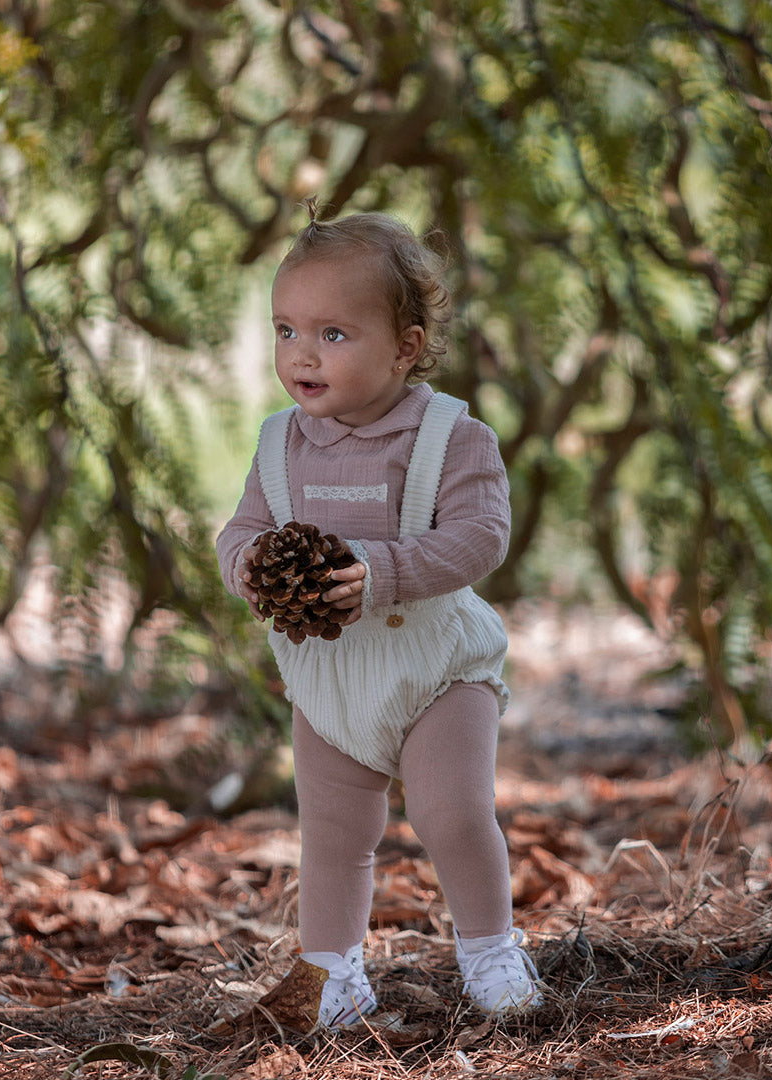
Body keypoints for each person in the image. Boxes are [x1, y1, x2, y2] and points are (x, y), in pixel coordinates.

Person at [216, 203, 541, 1028]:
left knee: (451, 813)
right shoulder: (278, 443)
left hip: (437, 666)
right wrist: (251, 567)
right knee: (332, 832)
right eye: (286, 329)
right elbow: (243, 530)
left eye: (333, 334)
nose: (302, 354)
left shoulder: (449, 435)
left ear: (405, 346)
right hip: (329, 675)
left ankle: (491, 949)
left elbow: (481, 537)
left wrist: (385, 571)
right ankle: (332, 972)